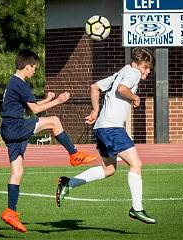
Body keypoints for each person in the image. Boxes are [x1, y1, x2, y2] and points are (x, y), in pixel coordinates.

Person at [56, 47, 157, 224]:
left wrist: (95, 110)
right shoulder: (132, 73)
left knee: (109, 169)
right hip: (112, 128)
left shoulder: (122, 71)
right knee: (136, 164)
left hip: (102, 127)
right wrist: (135, 98)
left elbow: (94, 87)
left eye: (150, 68)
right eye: (145, 67)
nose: (148, 71)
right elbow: (122, 89)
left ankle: (67, 183)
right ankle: (137, 208)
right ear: (136, 64)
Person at [0, 49, 97, 233]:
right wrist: (58, 101)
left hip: (8, 128)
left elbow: (31, 108)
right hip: (15, 126)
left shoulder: (14, 82)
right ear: (27, 67)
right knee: (54, 121)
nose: (35, 71)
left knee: (17, 171)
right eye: (34, 68)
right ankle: (74, 154)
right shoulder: (21, 83)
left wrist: (46, 99)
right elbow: (35, 111)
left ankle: (10, 211)